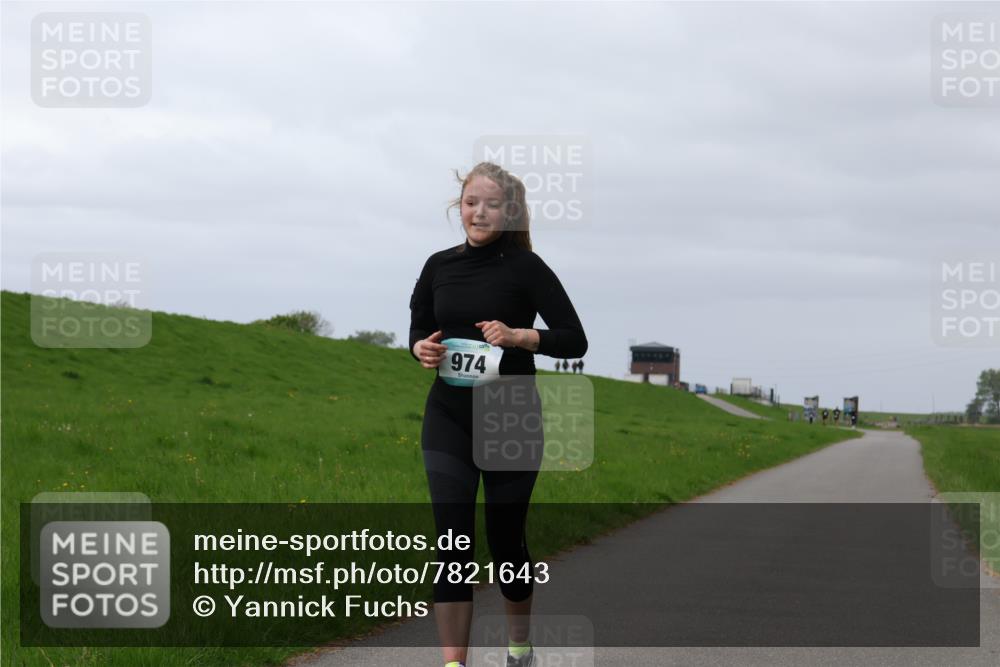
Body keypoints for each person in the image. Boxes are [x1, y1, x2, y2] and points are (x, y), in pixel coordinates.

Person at [409, 162, 588, 667]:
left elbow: (575, 338)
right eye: (470, 202)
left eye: (490, 204)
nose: (478, 212)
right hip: (448, 414)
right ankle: (453, 664)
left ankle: (518, 650)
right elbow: (419, 329)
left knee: (507, 543)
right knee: (452, 542)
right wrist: (420, 349)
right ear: (458, 206)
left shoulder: (527, 269)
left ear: (509, 212)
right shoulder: (438, 266)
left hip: (510, 415)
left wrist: (519, 337)